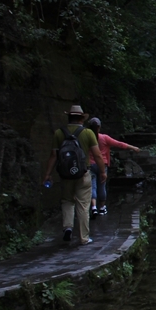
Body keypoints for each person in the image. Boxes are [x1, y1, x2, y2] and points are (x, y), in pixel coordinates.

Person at [42, 104, 106, 245]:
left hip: (65, 174)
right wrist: (102, 172)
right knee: (83, 204)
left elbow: (53, 155)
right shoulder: (88, 133)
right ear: (82, 119)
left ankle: (68, 228)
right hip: (83, 174)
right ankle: (84, 237)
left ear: (69, 117)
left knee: (67, 201)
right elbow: (97, 155)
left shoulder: (59, 133)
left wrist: (48, 174)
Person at [86, 117, 140, 216]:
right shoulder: (104, 138)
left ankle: (93, 207)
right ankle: (102, 207)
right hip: (102, 165)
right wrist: (133, 148)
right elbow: (119, 144)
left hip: (91, 164)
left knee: (92, 186)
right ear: (99, 127)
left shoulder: (87, 138)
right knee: (102, 186)